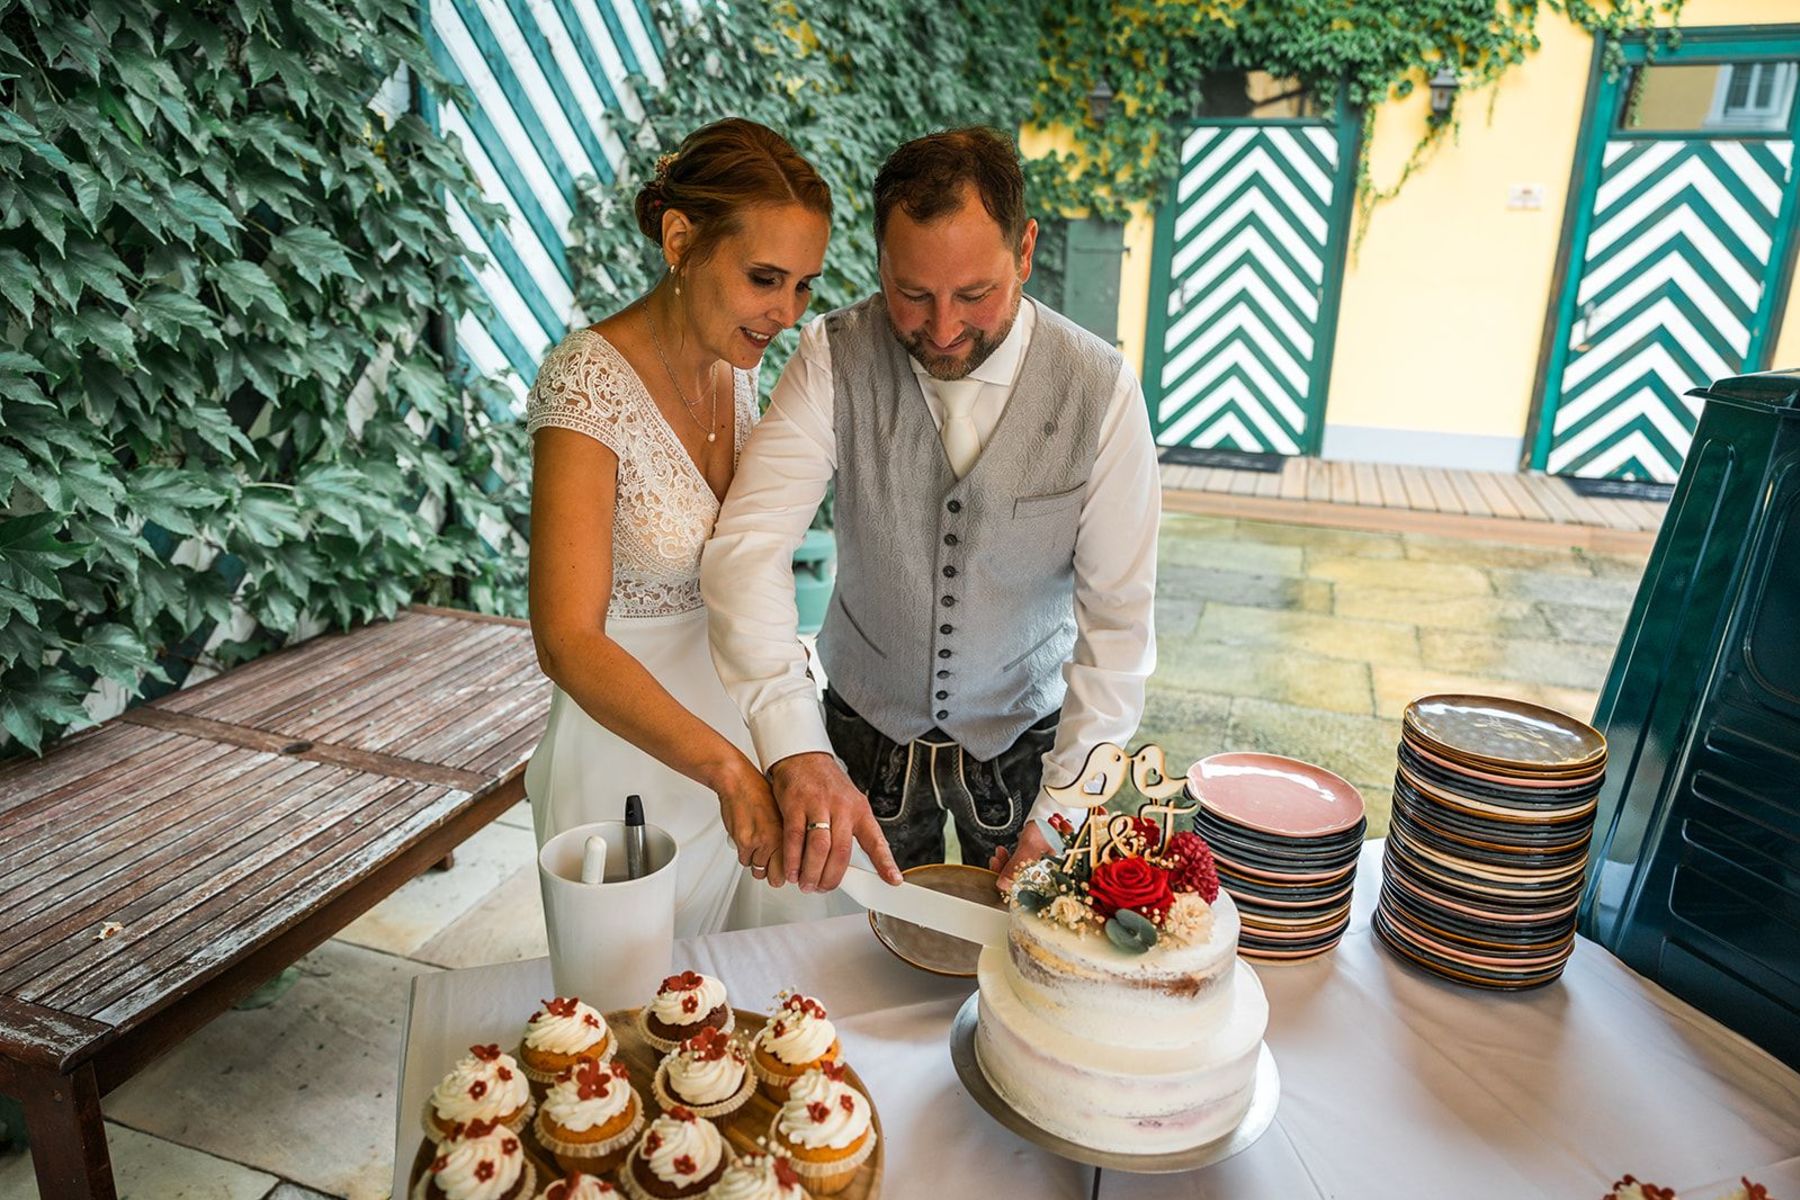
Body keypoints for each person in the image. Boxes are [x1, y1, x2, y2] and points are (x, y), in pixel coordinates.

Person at [700, 126, 1160, 897]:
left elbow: (1119, 627)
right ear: (880, 261)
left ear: (1025, 251)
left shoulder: (1102, 390)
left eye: (974, 294)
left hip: (1028, 742)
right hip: (860, 733)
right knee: (850, 951)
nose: (943, 328)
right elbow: (747, 548)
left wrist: (1064, 812)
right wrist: (793, 743)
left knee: (1023, 956)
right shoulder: (832, 355)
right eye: (912, 294)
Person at [523, 118, 892, 940]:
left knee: (784, 983)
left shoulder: (737, 370)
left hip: (744, 727)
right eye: (764, 278)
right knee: (639, 996)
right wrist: (726, 771)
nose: (786, 312)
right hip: (630, 760)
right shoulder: (586, 381)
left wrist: (770, 747)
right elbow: (566, 641)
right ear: (681, 241)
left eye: (803, 286)